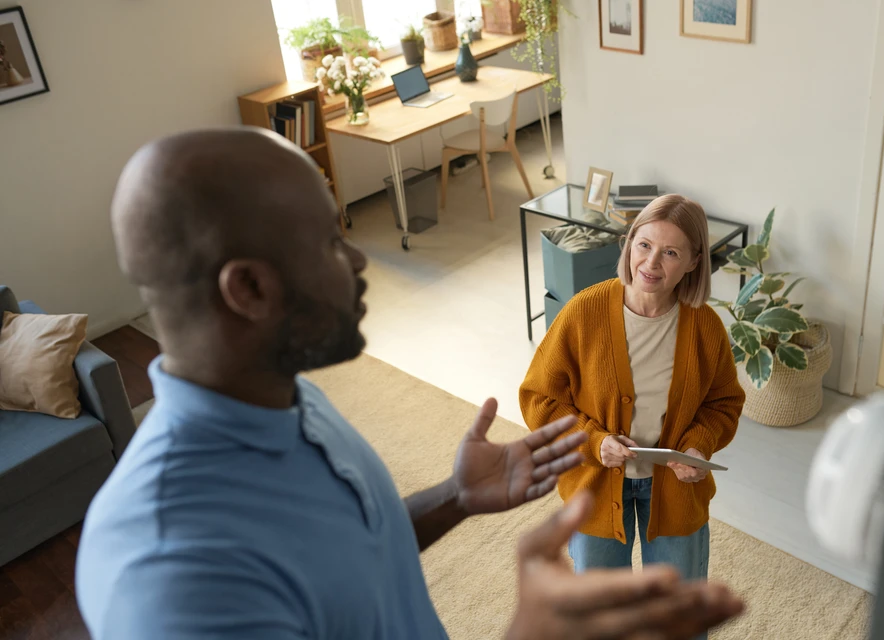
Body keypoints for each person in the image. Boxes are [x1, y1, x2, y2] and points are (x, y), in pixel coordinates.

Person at [75, 129, 744, 639]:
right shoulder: (167, 577)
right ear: (249, 287)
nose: (360, 256)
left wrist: (452, 497)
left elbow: (347, 550)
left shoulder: (289, 399)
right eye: (328, 238)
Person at [519, 196, 745, 596]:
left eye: (671, 252)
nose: (651, 263)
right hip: (595, 482)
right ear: (629, 244)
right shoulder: (583, 312)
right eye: (644, 245)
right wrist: (594, 442)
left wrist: (697, 446)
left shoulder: (705, 327)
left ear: (694, 262)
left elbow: (722, 403)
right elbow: (540, 397)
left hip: (675, 487)